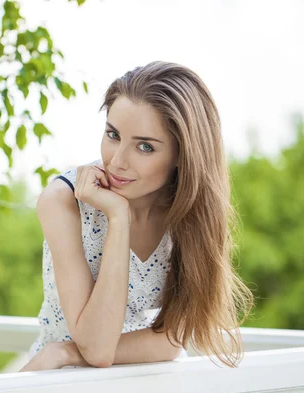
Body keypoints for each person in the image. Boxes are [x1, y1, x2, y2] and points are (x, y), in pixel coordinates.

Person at [19, 61, 254, 372]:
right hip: (62, 384)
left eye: (144, 147)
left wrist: (67, 353)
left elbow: (170, 340)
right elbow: (97, 347)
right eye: (113, 134)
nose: (117, 162)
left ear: (182, 155)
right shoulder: (64, 200)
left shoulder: (189, 214)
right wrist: (118, 216)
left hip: (144, 377)